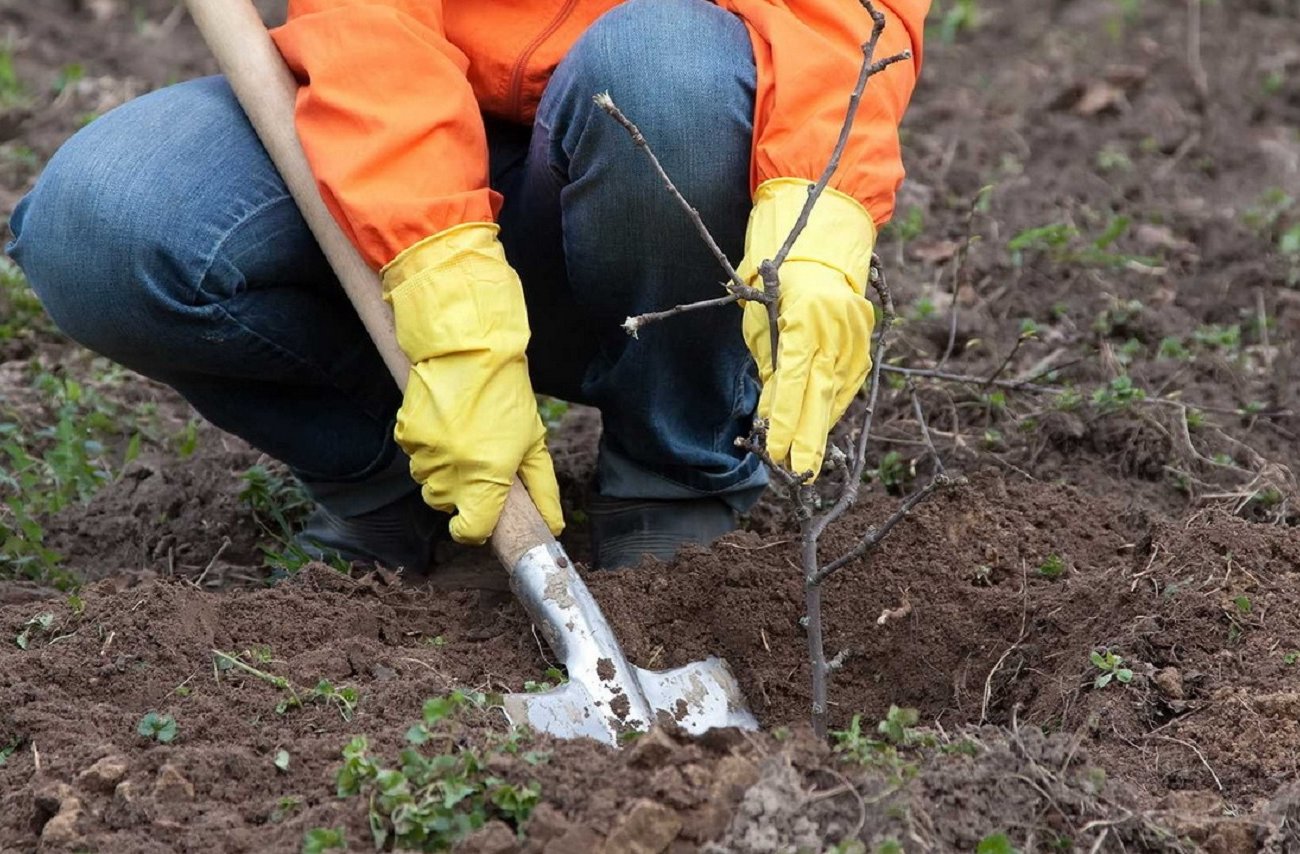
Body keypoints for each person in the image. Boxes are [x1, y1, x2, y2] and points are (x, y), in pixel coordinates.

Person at [7, 0, 927, 571]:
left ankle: (675, 479)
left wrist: (816, 195)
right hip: (399, 124)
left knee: (667, 74)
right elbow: (374, 36)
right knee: (107, 220)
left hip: (654, 144)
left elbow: (836, 14)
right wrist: (440, 284)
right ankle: (395, 483)